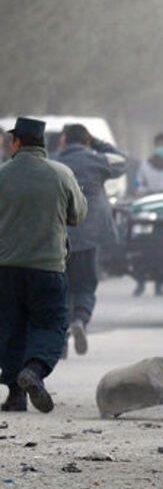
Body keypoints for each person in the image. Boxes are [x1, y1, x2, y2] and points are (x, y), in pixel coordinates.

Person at [0, 118, 87, 412]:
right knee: (50, 324)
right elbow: (78, 214)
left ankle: (15, 395)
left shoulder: (1, 174)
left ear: (16, 143)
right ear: (42, 144)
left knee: (11, 327)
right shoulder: (61, 174)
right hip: (48, 267)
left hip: (6, 268)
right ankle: (34, 371)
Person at [56, 124, 128, 356]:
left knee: (63, 286)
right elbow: (123, 161)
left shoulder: (54, 162)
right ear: (86, 139)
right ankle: (80, 320)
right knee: (86, 283)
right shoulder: (97, 160)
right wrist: (95, 142)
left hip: (60, 234)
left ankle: (62, 336)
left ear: (63, 140)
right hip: (91, 233)